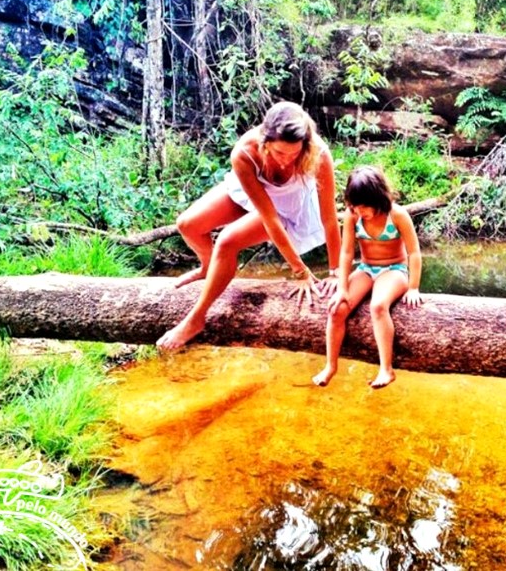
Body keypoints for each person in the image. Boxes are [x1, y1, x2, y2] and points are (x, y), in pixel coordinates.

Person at [156, 101, 341, 351]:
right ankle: (209, 268)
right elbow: (266, 215)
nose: (286, 162)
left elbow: (329, 219)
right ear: (265, 142)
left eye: (294, 154)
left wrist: (335, 272)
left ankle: (196, 318)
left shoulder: (318, 153)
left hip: (287, 209)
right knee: (187, 225)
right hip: (257, 198)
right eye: (279, 153)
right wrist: (300, 271)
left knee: (227, 241)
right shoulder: (244, 152)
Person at [312, 166, 422, 389]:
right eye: (355, 207)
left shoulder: (397, 214)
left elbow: (414, 253)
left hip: (394, 270)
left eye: (364, 207)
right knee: (337, 309)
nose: (359, 212)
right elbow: (346, 252)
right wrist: (342, 288)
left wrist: (413, 287)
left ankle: (386, 369)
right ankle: (330, 366)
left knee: (378, 306)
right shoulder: (353, 216)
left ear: (378, 198)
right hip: (366, 268)